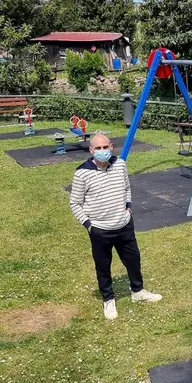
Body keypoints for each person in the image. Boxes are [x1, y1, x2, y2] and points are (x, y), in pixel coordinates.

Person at [69, 133, 161, 320]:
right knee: (103, 265)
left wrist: (128, 207)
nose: (103, 151)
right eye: (98, 148)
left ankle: (138, 291)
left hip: (124, 224)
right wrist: (89, 225)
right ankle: (108, 299)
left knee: (133, 259)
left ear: (111, 147)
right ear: (91, 150)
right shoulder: (82, 173)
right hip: (100, 229)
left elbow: (127, 188)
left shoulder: (120, 165)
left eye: (106, 147)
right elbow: (75, 203)